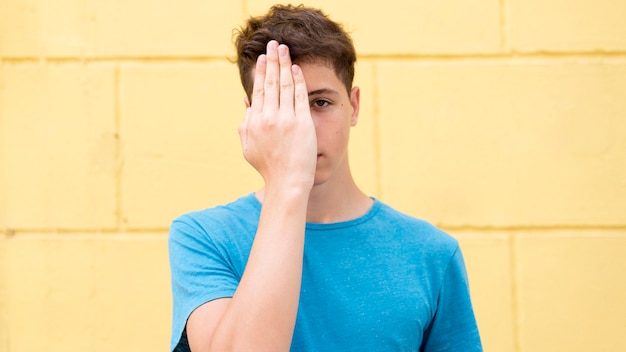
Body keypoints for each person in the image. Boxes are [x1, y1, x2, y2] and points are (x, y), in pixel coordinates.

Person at [168, 4, 482, 351]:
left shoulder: (431, 253)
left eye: (320, 103)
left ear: (354, 105)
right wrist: (287, 182)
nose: (300, 128)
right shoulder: (204, 238)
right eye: (282, 105)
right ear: (253, 116)